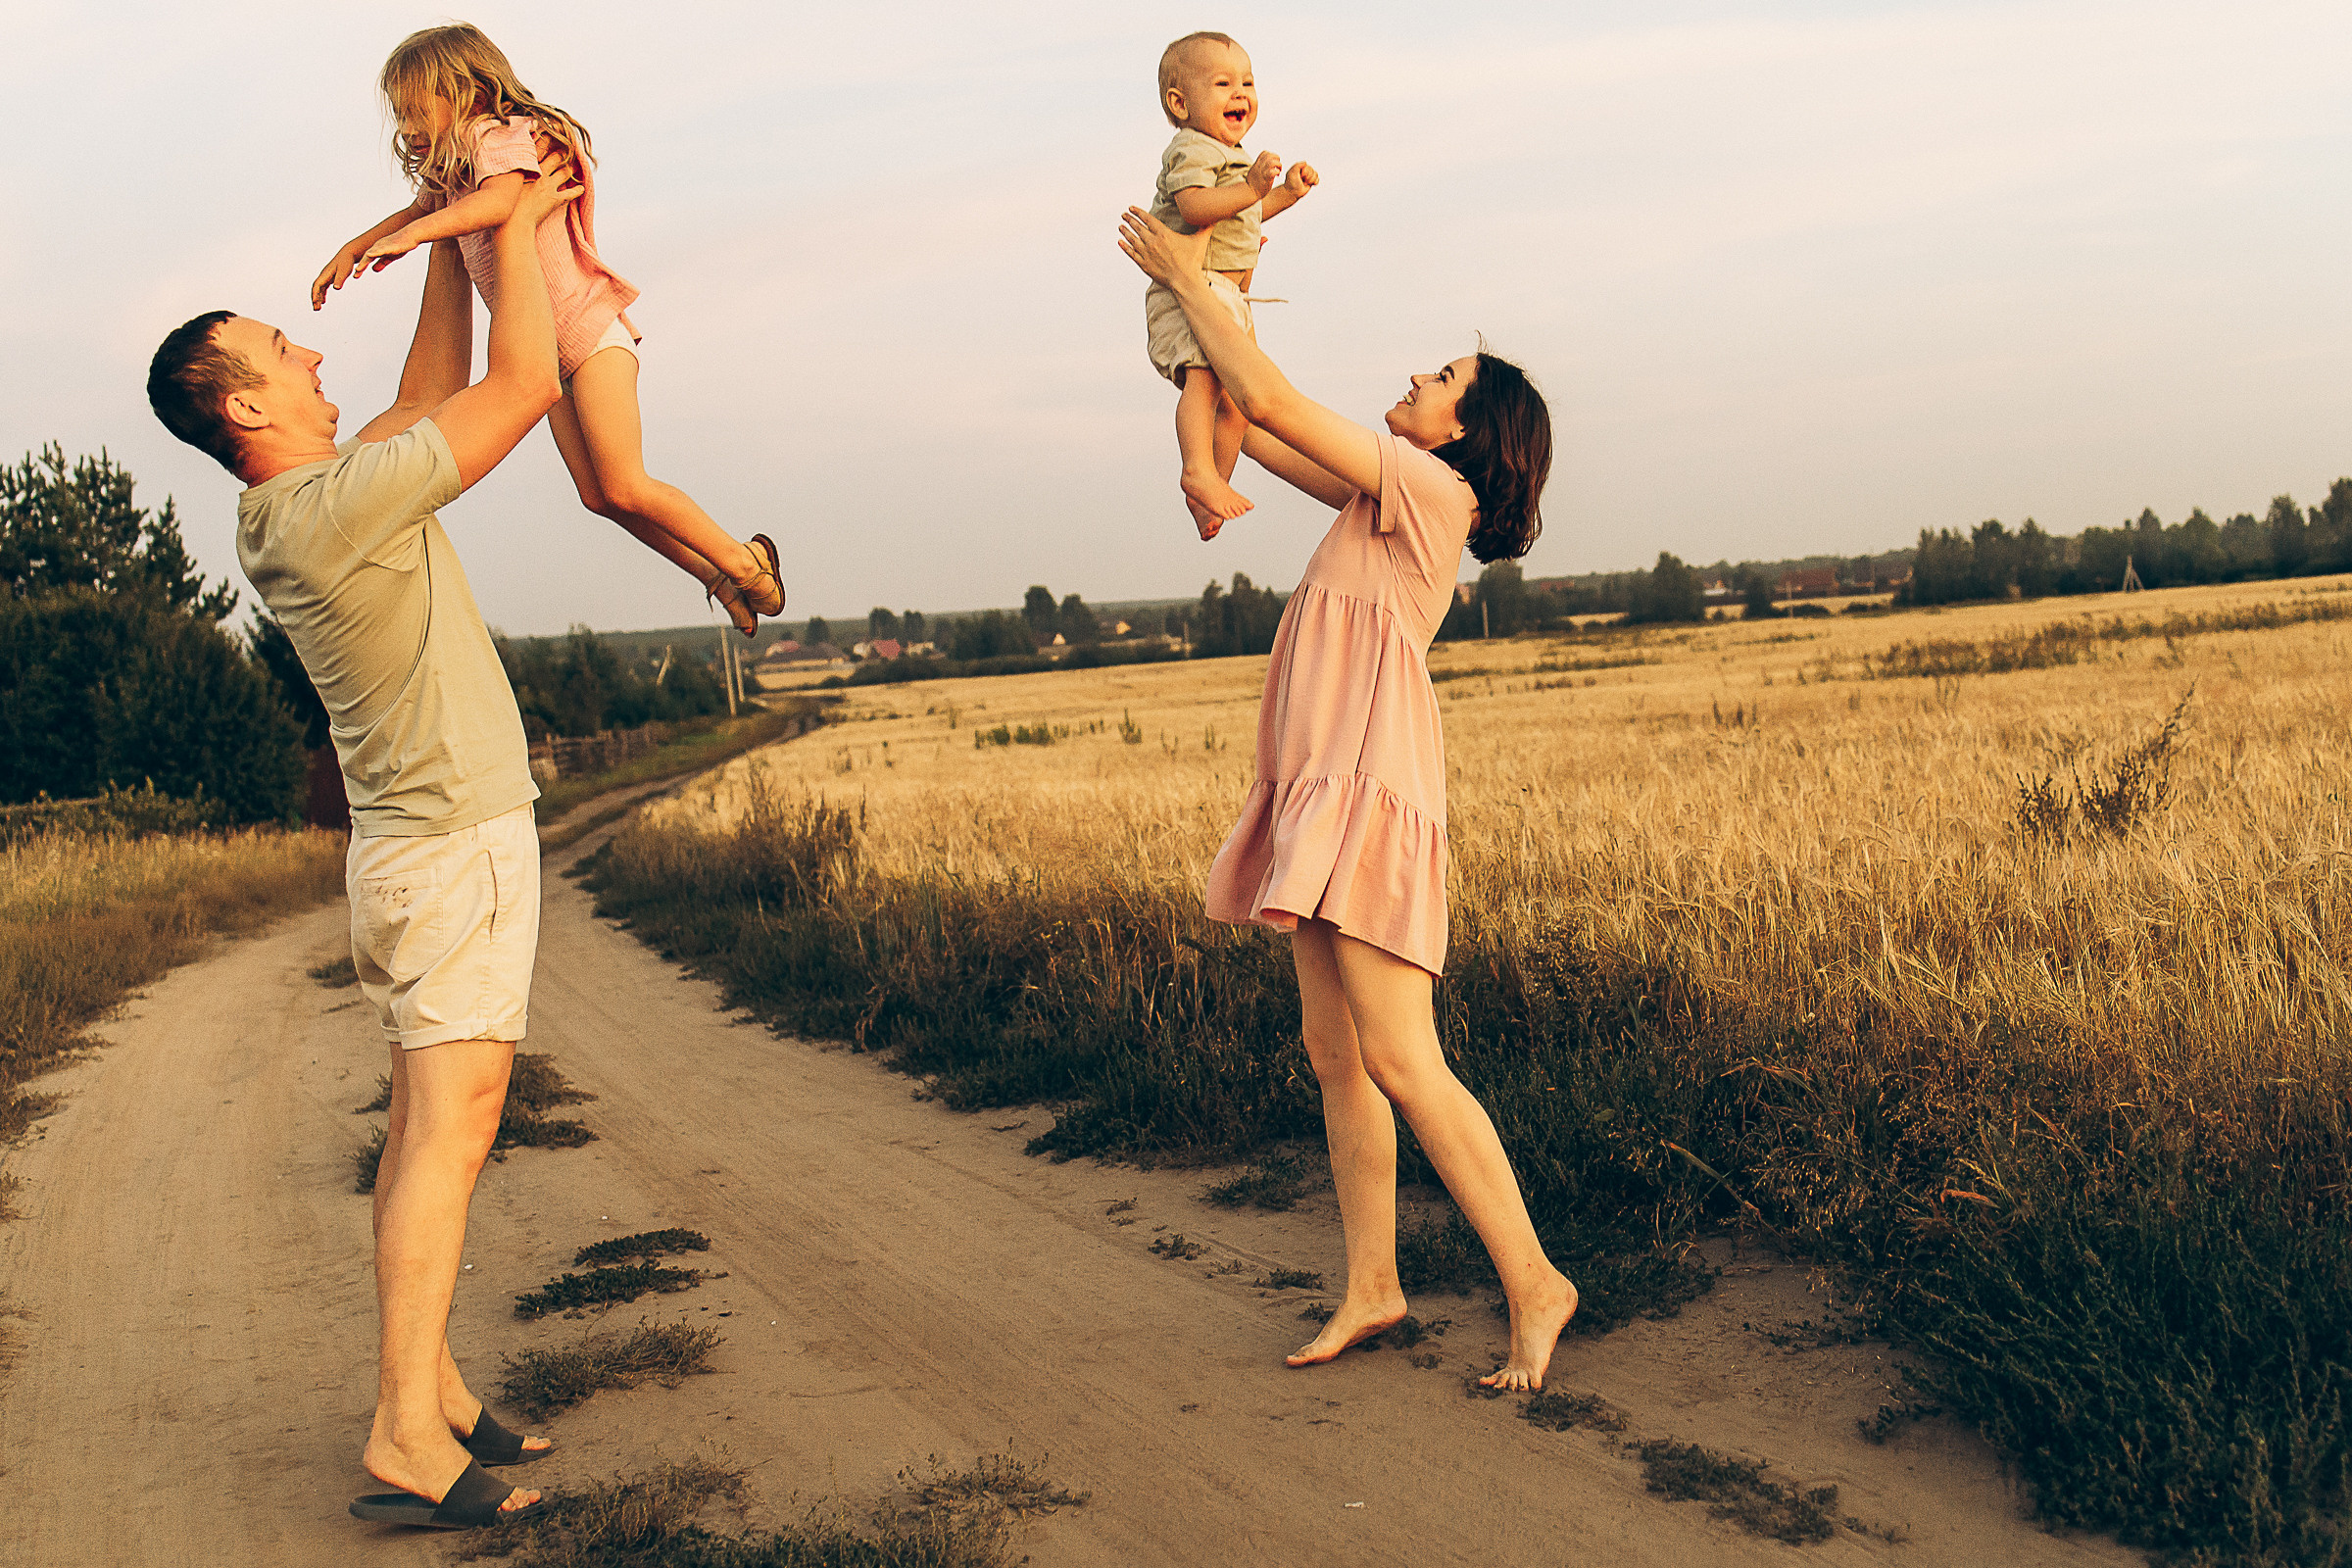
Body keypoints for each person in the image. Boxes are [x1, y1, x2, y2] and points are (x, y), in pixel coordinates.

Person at [146, 154, 579, 1530]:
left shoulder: (304, 504)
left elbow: (433, 389)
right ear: (247, 402)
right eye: (282, 345)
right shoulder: (331, 509)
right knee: (455, 1131)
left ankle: (435, 1387)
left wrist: (434, 239)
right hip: (452, 850)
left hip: (417, 851)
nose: (311, 343)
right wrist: (512, 219)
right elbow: (518, 389)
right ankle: (404, 1427)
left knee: (418, 1128)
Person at [1118, 206, 1580, 1392]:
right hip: (1319, 778)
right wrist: (1224, 274)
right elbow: (1247, 420)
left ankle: (1536, 1281)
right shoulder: (1384, 495)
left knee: (1403, 1055)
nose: (1417, 378)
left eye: (1442, 376)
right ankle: (1374, 1286)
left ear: (1470, 432)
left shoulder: (1433, 494)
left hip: (1368, 783)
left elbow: (1268, 399)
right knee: (1335, 1054)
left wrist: (1183, 268)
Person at [312, 22, 781, 637]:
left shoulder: (499, 137)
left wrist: (418, 235)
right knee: (599, 496)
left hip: (590, 331)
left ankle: (745, 561)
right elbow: (417, 208)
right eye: (398, 111)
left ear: (466, 92)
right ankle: (715, 574)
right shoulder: (455, 173)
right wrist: (357, 246)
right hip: (553, 352)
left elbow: (503, 203)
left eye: (412, 107)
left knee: (626, 481)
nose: (404, 124)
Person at [1145, 31, 1319, 541]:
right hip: (1191, 288)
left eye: (1247, 81)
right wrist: (1253, 187)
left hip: (1228, 296)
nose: (1240, 91)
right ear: (1180, 103)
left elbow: (1243, 212)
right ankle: (1197, 467)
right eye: (1223, 83)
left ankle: (1210, 491)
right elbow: (1196, 207)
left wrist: (1283, 193)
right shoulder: (1191, 148)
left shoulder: (1233, 155)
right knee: (1204, 378)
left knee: (1240, 402)